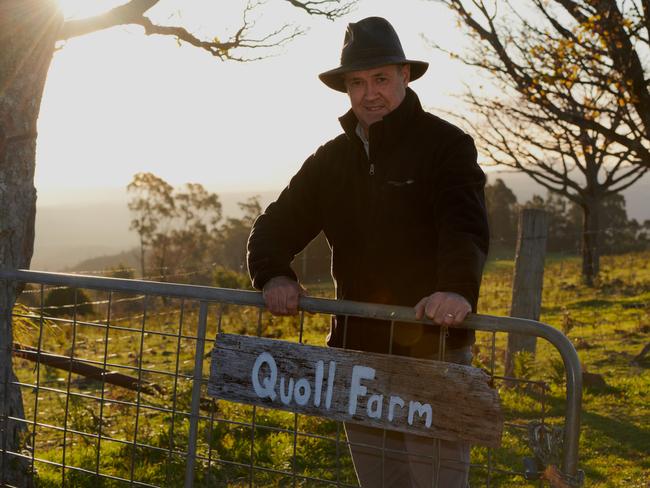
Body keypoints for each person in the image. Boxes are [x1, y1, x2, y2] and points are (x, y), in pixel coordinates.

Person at [247, 16, 489, 488]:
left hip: (432, 355)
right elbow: (273, 226)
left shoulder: (447, 147)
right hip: (357, 358)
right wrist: (273, 274)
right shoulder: (331, 161)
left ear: (405, 75)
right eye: (356, 82)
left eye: (380, 78)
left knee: (437, 482)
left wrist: (456, 289)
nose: (369, 93)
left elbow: (465, 227)